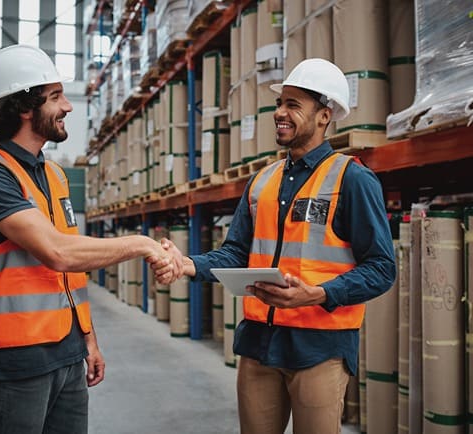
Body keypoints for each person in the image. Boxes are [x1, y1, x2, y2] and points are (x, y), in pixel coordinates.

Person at [156, 58, 396, 434]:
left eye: (294, 105)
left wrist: (317, 294)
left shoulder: (352, 179)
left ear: (324, 115)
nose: (280, 113)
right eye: (280, 103)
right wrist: (187, 264)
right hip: (258, 344)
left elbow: (382, 268)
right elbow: (236, 252)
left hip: (319, 348)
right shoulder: (261, 181)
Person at [0, 44, 175, 434]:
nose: (68, 107)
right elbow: (57, 253)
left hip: (66, 354)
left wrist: (87, 339)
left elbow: (70, 271)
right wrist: (141, 243)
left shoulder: (53, 176)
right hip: (17, 361)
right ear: (25, 107)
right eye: (56, 97)